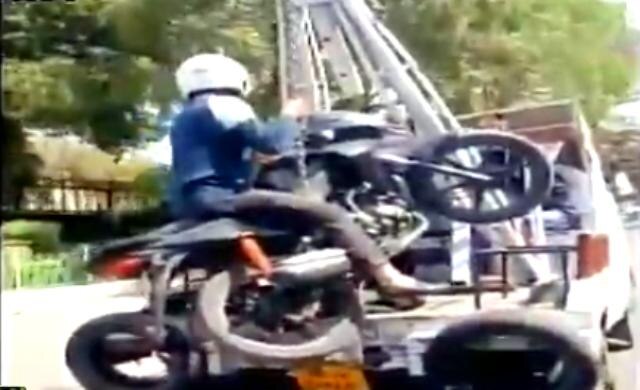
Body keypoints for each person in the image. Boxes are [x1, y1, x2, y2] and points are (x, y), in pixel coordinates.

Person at [168, 53, 440, 298]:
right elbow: (272, 142)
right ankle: (388, 276)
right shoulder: (223, 103)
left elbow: (226, 151)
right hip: (222, 197)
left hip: (191, 202)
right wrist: (289, 116)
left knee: (291, 225)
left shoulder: (185, 116)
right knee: (329, 214)